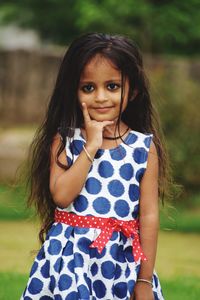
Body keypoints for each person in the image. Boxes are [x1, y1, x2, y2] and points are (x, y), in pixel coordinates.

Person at [21, 32, 169, 300]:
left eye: (112, 86)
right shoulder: (66, 140)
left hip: (119, 265)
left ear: (132, 90)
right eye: (88, 88)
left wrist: (144, 280)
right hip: (70, 263)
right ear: (74, 91)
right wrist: (91, 145)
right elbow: (62, 196)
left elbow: (148, 217)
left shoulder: (143, 148)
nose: (101, 97)